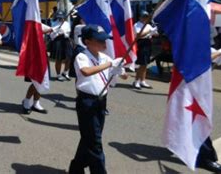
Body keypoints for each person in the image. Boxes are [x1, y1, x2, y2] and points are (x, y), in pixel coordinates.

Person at [68, 25, 127, 174]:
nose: (104, 44)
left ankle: (76, 168)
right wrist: (109, 64)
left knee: (89, 138)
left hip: (101, 101)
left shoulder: (105, 57)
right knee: (95, 143)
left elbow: (119, 75)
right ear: (87, 41)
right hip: (87, 102)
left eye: (104, 40)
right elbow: (86, 71)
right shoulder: (82, 56)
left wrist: (120, 69)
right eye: (100, 41)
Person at [21, 23, 53, 115]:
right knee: (36, 80)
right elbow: (34, 33)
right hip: (33, 53)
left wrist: (56, 28)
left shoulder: (41, 24)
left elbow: (51, 31)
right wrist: (50, 30)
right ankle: (26, 101)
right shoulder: (28, 23)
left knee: (43, 79)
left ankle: (36, 103)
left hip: (42, 52)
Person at [133, 11, 158, 90]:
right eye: (143, 16)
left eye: (146, 17)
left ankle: (142, 81)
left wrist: (154, 31)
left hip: (148, 43)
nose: (145, 18)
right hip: (141, 43)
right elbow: (139, 35)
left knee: (146, 63)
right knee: (142, 63)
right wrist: (149, 31)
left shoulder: (148, 25)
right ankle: (136, 81)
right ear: (140, 17)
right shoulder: (137, 25)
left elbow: (156, 34)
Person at [50, 10, 71, 81]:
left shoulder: (67, 24)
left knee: (68, 57)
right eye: (59, 17)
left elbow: (68, 33)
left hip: (66, 41)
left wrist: (64, 33)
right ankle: (58, 74)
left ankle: (65, 72)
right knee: (58, 59)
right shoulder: (54, 23)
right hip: (57, 41)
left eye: (62, 17)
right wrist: (57, 33)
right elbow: (51, 35)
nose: (61, 19)